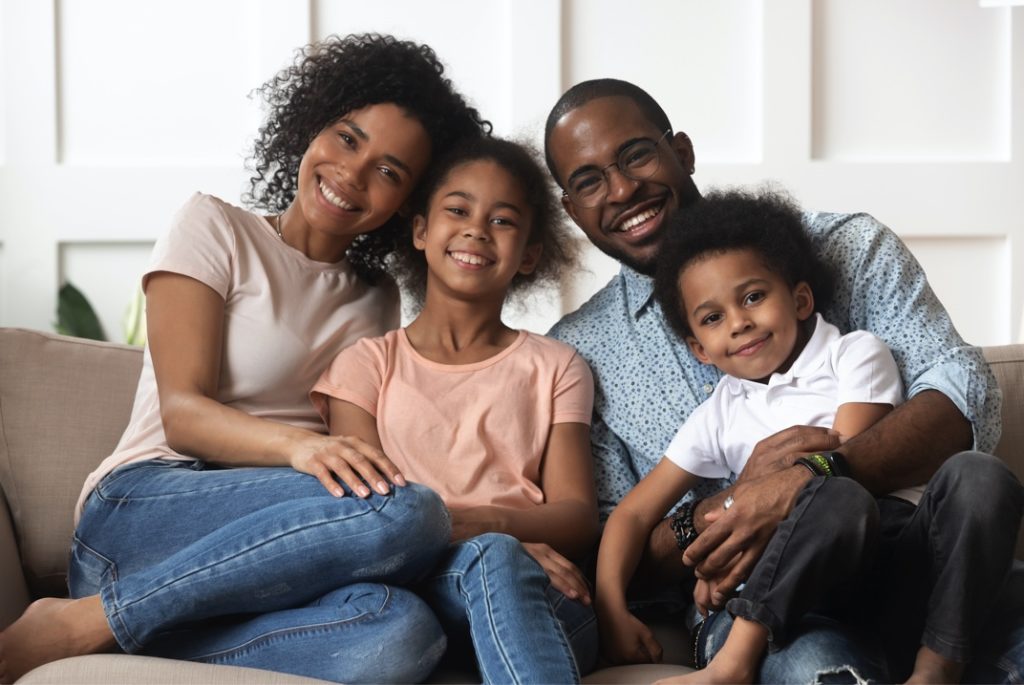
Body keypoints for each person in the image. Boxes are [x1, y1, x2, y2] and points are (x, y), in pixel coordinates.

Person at [0, 34, 490, 685]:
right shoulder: (213, 226)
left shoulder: (377, 299)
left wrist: (497, 531)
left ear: (409, 205)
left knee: (402, 632)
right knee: (406, 511)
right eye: (348, 138)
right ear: (311, 122)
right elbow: (183, 414)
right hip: (141, 510)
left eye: (390, 171)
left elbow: (359, 468)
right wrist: (301, 448)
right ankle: (84, 621)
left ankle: (126, 635)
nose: (354, 172)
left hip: (253, 555)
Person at [544, 77, 1023, 683]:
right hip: (766, 607)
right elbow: (621, 536)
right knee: (818, 667)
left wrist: (803, 483)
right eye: (587, 180)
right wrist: (736, 503)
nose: (621, 189)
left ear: (681, 153)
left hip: (914, 559)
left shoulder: (848, 248)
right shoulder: (581, 352)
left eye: (636, 154)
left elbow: (963, 396)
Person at [310, 136, 599, 684]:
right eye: (458, 210)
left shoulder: (558, 366)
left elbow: (577, 517)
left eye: (504, 221)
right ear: (421, 230)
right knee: (491, 558)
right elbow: (369, 518)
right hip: (420, 592)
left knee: (498, 560)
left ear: (530, 255)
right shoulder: (366, 366)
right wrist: (498, 541)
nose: (476, 230)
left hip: (541, 596)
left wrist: (495, 531)